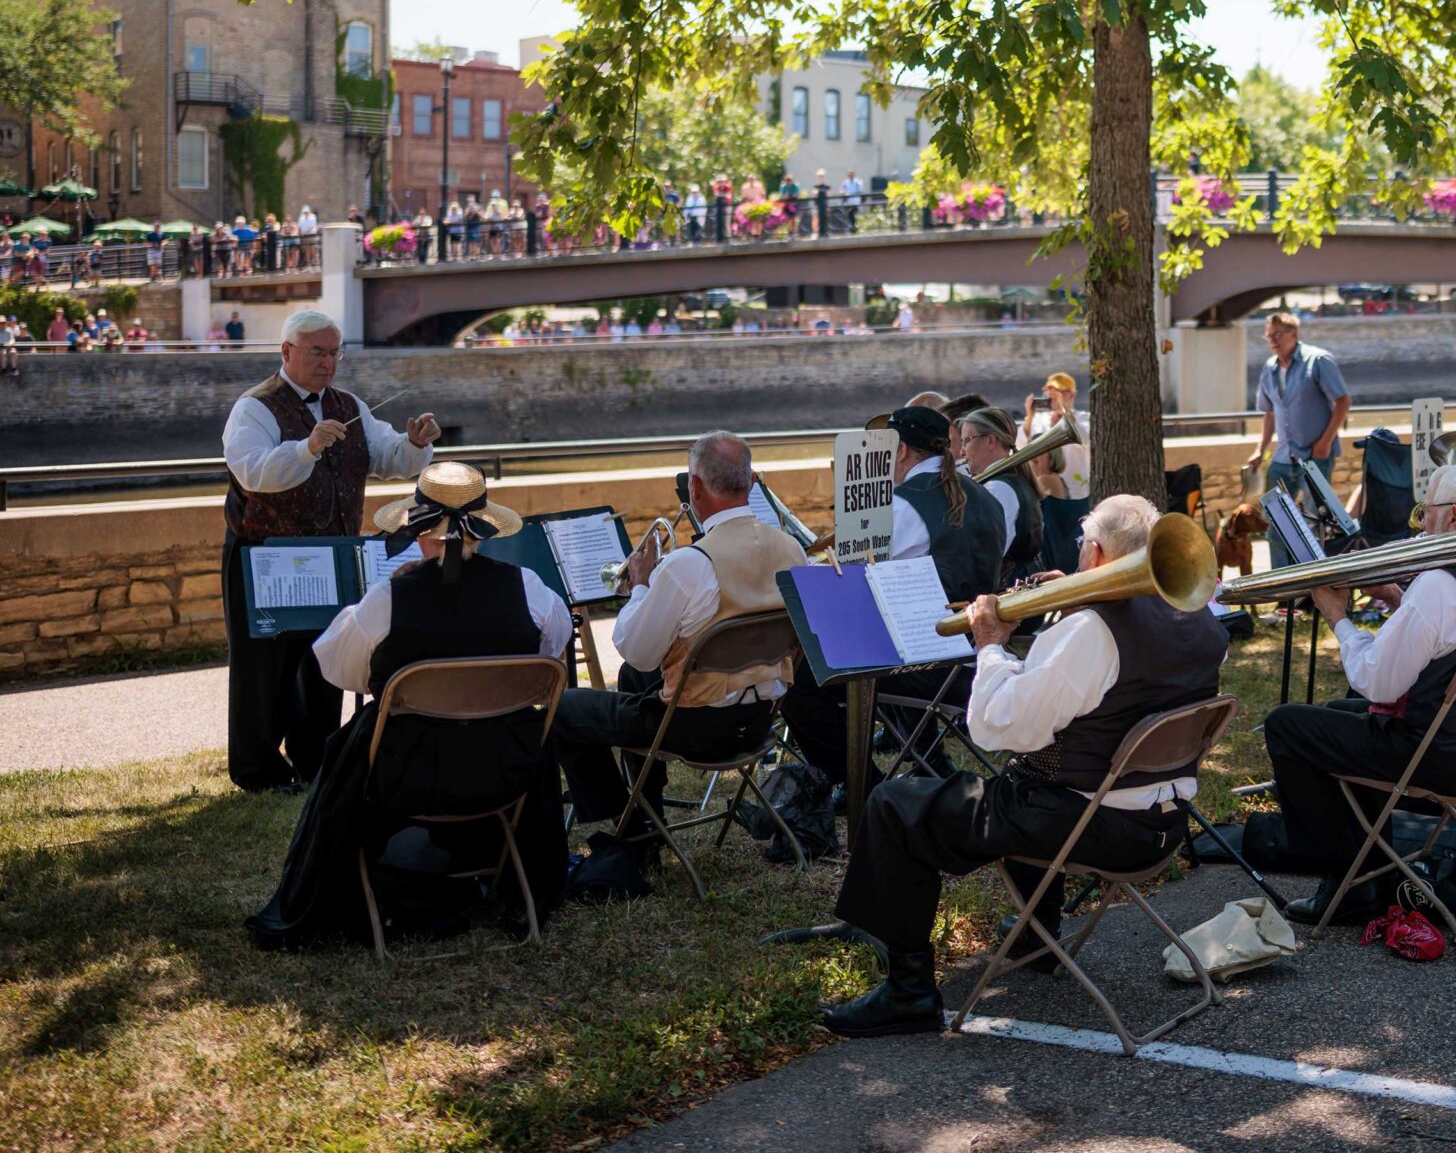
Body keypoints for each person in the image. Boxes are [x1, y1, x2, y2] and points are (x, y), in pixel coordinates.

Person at [816, 493, 1227, 1036]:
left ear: (1097, 555)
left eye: (1083, 549)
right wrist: (1072, 612)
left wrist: (989, 645)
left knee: (896, 803)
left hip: (1089, 827)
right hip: (1161, 824)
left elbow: (997, 726)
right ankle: (1039, 935)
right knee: (1029, 781)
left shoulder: (1091, 633)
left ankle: (910, 990)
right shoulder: (1202, 621)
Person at [246, 462, 572, 950]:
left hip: (406, 774)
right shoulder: (529, 589)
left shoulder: (389, 598)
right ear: (482, 532)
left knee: (352, 744)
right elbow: (549, 659)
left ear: (420, 533)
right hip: (504, 768)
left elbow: (337, 668)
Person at [1259, 464, 1456, 924]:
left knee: (1286, 724)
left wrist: (1338, 617)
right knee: (1339, 714)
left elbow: (1375, 682)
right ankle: (1366, 872)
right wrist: (1399, 600)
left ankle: (1344, 871)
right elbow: (1450, 643)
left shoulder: (1437, 584)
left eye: (1425, 513)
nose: (1420, 523)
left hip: (1430, 756)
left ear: (1453, 518)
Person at [552, 433, 807, 883]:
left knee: (565, 707)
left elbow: (634, 646)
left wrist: (643, 585)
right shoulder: (793, 550)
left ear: (694, 487)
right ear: (750, 483)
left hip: (693, 728)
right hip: (762, 721)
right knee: (634, 677)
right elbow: (642, 665)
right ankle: (645, 820)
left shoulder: (689, 564)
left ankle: (632, 825)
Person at [220, 310, 441, 793]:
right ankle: (258, 770)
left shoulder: (348, 403)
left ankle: (314, 758)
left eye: (333, 352)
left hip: (332, 554)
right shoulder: (254, 408)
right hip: (266, 554)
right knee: (264, 666)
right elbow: (253, 473)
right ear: (286, 352)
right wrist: (307, 448)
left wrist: (414, 444)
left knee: (321, 661)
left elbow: (386, 456)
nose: (327, 362)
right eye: (317, 352)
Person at [775, 403, 1007, 789]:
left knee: (800, 685)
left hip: (928, 665)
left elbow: (854, 585)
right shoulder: (988, 498)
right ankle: (919, 767)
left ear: (900, 452)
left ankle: (864, 787)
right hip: (975, 656)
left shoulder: (900, 506)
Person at [1246, 312, 1350, 563]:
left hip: (1315, 457)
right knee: (1276, 521)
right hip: (1283, 457)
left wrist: (1325, 442)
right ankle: (1280, 583)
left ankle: (1314, 584)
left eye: (1277, 335)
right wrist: (1260, 449)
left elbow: (1343, 401)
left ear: (1293, 334)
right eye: (1268, 336)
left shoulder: (1318, 360)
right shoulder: (1269, 369)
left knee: (1315, 521)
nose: (1272, 341)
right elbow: (1269, 413)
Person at [954, 405, 1044, 583]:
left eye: (966, 441)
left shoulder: (998, 489)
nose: (961, 452)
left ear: (990, 441)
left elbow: (985, 554)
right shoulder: (1010, 481)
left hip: (1010, 591)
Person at [1018, 371, 1092, 500]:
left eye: (1060, 392)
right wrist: (1029, 416)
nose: (1054, 397)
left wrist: (1067, 416)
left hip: (1076, 492)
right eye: (1049, 393)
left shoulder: (1084, 418)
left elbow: (1086, 441)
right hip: (1043, 489)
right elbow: (1020, 446)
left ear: (1072, 395)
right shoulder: (1038, 420)